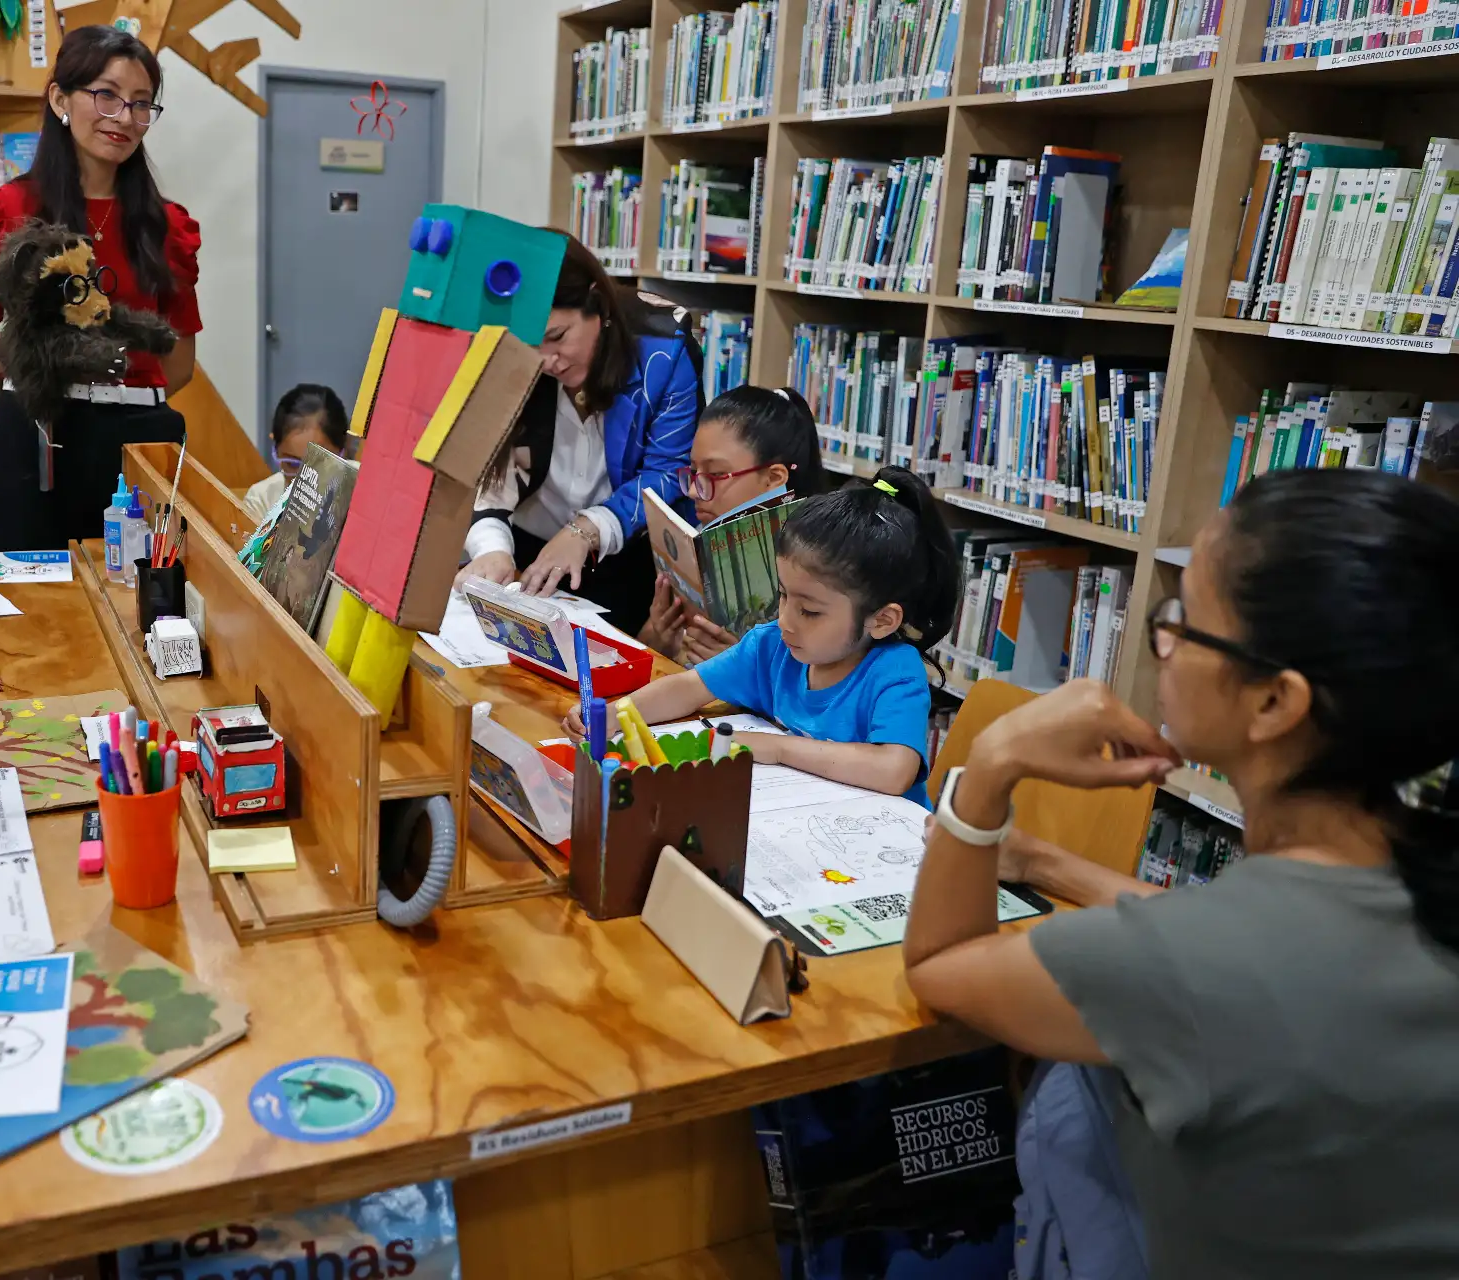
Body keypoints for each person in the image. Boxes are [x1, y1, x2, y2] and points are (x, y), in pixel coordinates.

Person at [904, 467, 1459, 1278]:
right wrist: (1046, 860)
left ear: (1276, 703)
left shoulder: (1181, 967)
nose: (1161, 642)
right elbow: (1260, 945)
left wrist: (992, 763)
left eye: (1184, 623)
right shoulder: (1413, 871)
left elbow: (939, 966)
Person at [0, 24, 204, 553]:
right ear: (60, 99)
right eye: (106, 95)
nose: (124, 118)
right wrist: (37, 354)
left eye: (141, 104)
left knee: (144, 594)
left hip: (141, 436)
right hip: (36, 431)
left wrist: (122, 401)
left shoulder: (168, 226)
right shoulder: (7, 213)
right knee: (37, 597)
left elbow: (178, 360)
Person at [569, 466, 957, 805]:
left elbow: (894, 770)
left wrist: (778, 748)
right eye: (783, 595)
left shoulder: (896, 670)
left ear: (883, 620)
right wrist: (614, 716)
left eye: (809, 611)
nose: (785, 619)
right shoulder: (773, 645)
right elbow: (688, 687)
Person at [456, 238, 702, 633]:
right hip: (527, 553)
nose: (545, 360)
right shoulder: (504, 352)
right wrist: (492, 548)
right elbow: (483, 470)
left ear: (598, 305)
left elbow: (669, 472)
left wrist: (586, 530)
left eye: (557, 336)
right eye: (531, 344)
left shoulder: (664, 352)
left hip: (626, 555)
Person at [640, 384, 822, 665]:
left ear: (774, 478)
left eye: (715, 474)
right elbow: (649, 653)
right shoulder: (700, 539)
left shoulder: (820, 566)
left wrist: (740, 671)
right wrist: (658, 636)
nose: (693, 492)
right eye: (693, 472)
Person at [242, 383, 349, 521]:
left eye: (319, 465)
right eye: (292, 464)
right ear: (275, 446)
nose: (304, 481)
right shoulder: (261, 499)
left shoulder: (366, 489)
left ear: (343, 451)